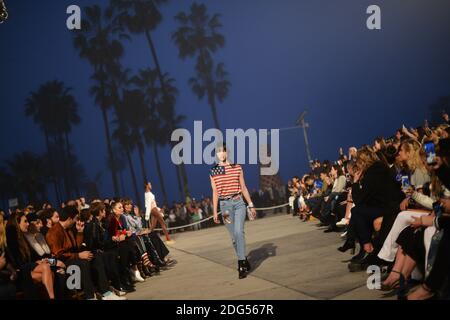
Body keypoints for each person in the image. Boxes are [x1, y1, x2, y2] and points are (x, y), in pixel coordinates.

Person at [210, 143, 257, 279]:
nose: (221, 154)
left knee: (238, 232)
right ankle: (244, 258)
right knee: (233, 237)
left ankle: (241, 264)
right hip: (224, 207)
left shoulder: (237, 167)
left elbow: (243, 187)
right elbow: (215, 192)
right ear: (216, 154)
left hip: (238, 203)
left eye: (223, 151)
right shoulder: (214, 171)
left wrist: (250, 204)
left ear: (227, 152)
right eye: (218, 152)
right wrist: (214, 211)